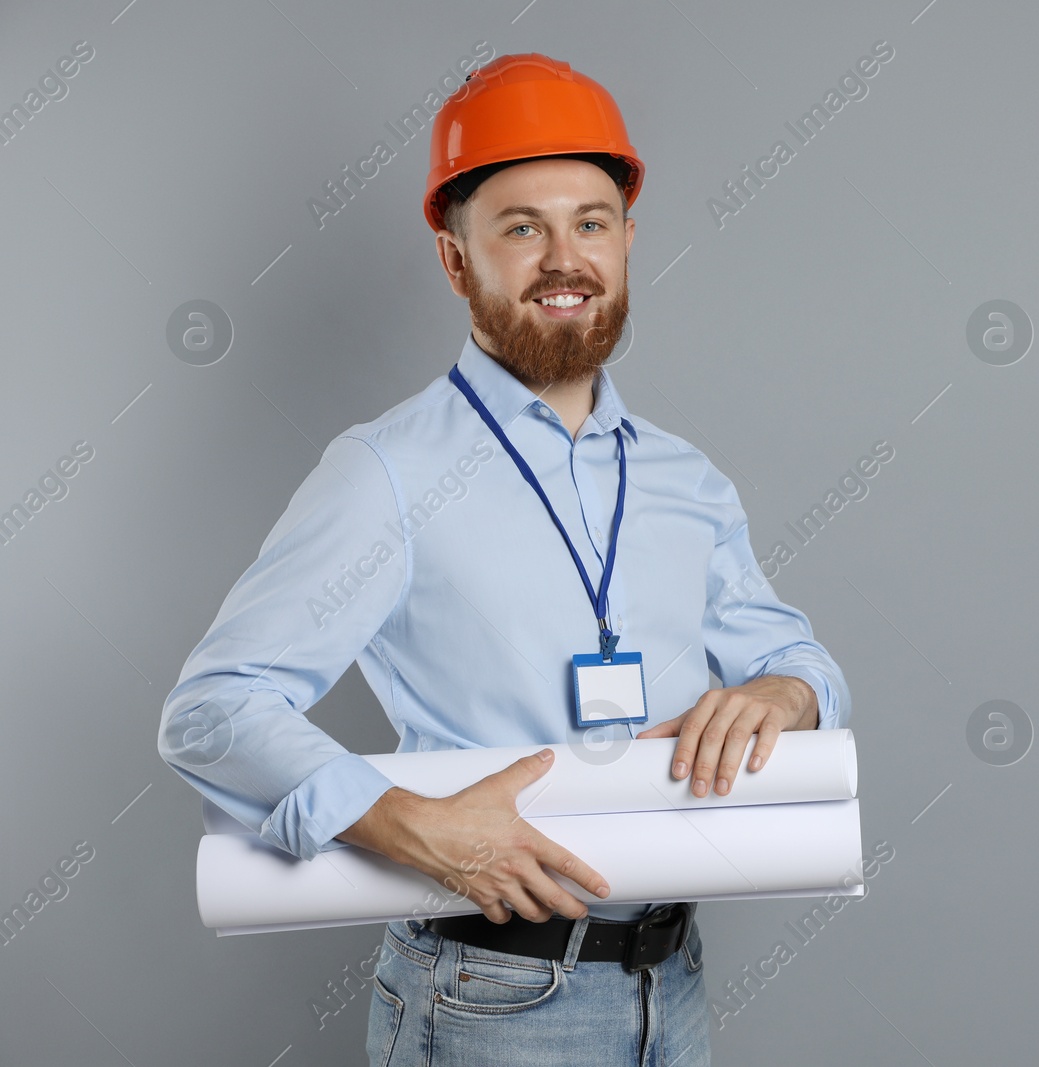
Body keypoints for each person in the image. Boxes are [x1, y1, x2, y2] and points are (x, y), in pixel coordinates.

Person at [156, 52, 850, 1066]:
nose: (564, 257)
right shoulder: (384, 472)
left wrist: (784, 693)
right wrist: (399, 821)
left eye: (591, 222)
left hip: (675, 984)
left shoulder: (683, 477)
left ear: (625, 242)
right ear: (456, 259)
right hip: (493, 999)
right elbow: (213, 706)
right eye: (522, 227)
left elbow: (801, 660)